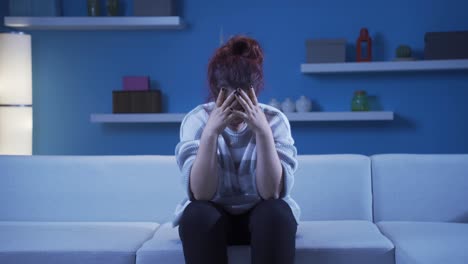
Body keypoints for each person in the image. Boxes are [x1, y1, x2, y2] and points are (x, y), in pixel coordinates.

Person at [174, 35, 300, 264]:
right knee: (196, 214)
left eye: (242, 100)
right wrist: (211, 133)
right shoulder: (196, 121)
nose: (235, 111)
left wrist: (262, 132)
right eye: (228, 100)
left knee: (276, 212)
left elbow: (270, 193)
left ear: (254, 92)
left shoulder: (274, 121)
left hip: (262, 217)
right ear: (215, 92)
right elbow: (201, 194)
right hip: (213, 216)